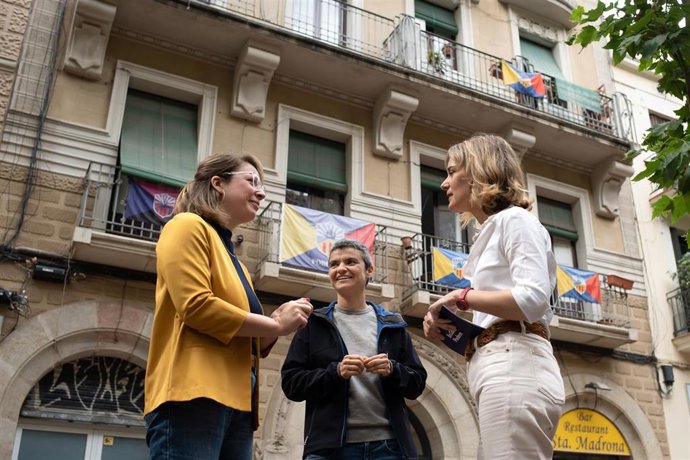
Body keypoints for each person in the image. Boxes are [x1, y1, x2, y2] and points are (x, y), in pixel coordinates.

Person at [144, 153, 313, 460]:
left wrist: (281, 320)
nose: (261, 192)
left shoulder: (237, 261)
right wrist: (274, 325)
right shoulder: (186, 225)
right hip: (193, 394)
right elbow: (196, 306)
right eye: (252, 181)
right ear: (218, 184)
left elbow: (247, 339)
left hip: (239, 403)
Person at [423, 134, 564, 459]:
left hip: (515, 364)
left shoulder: (515, 221)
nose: (444, 183)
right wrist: (452, 330)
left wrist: (463, 297)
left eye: (451, 170)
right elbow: (504, 313)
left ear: (476, 171)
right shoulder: (500, 227)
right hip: (508, 363)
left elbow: (531, 299)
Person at [281, 239, 427, 460]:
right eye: (334, 264)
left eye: (350, 262)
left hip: (390, 449)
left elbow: (417, 383)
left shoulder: (393, 325)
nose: (341, 269)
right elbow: (291, 384)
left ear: (369, 270)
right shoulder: (313, 324)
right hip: (329, 451)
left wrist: (392, 369)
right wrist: (335, 372)